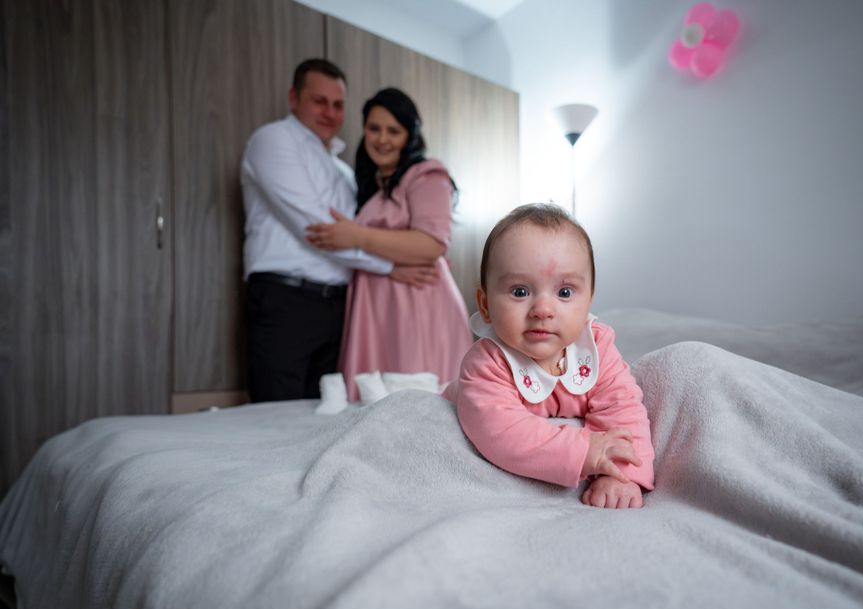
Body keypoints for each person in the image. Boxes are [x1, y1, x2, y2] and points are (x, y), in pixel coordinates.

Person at [241, 60, 437, 403]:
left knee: (327, 411)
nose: (330, 113)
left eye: (338, 105)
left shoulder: (345, 173)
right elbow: (320, 231)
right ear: (294, 98)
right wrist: (390, 266)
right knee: (276, 412)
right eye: (319, 101)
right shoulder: (273, 140)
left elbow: (353, 233)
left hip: (339, 307)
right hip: (286, 299)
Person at [443, 203, 655, 509]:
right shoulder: (487, 364)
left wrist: (620, 473)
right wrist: (585, 450)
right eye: (520, 292)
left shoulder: (595, 349)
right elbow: (504, 433)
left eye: (565, 292)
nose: (542, 310)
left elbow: (623, 409)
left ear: (589, 301)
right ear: (485, 305)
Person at [306, 88, 472, 400]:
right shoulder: (367, 183)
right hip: (374, 302)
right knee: (372, 402)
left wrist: (356, 236)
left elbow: (432, 244)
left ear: (410, 135)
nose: (382, 139)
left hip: (417, 303)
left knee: (415, 397)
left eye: (394, 131)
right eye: (374, 128)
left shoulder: (426, 176)